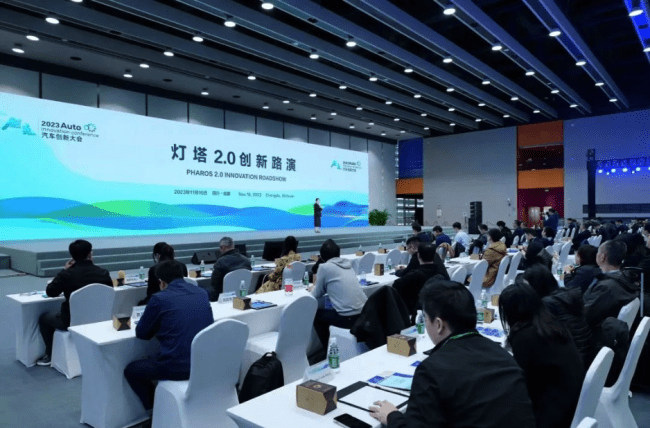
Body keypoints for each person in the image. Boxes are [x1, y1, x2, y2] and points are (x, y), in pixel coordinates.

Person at [369, 280, 536, 428]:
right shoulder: (503, 355)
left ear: (439, 325)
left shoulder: (431, 371)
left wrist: (392, 416)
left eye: (425, 319)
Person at [124, 260, 213, 412]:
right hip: (203, 362)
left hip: (177, 367)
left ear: (161, 282)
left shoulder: (159, 298)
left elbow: (142, 334)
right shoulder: (202, 292)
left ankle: (156, 410)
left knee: (131, 370)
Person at [499, 281, 583, 428]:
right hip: (572, 401)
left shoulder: (525, 336)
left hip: (552, 414)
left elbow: (522, 383)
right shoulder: (550, 322)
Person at [37, 240, 112, 366]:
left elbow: (51, 292)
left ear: (72, 256)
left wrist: (64, 270)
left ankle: (50, 354)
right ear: (90, 254)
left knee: (44, 318)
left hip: (71, 321)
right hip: (99, 319)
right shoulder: (103, 273)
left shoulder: (67, 274)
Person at [521, 265, 595, 368]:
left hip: (571, 364)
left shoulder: (547, 304)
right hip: (585, 355)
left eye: (527, 287)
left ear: (537, 286)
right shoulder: (565, 296)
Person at [309, 240, 368, 347]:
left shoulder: (324, 267)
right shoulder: (348, 264)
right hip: (363, 314)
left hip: (347, 317)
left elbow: (316, 294)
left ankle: (329, 349)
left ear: (322, 257)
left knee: (316, 316)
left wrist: (311, 289)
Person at [584, 240, 638, 329]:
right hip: (612, 328)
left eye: (598, 252)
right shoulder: (626, 279)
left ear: (602, 257)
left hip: (594, 332)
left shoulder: (606, 287)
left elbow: (585, 316)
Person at [392, 243, 449, 315]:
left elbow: (395, 286)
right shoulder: (441, 272)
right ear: (435, 256)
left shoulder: (414, 275)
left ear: (418, 256)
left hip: (414, 311)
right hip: (434, 309)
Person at [208, 237, 251, 301]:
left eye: (220, 248)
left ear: (223, 247)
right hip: (241, 294)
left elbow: (214, 284)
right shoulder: (246, 260)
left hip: (222, 297)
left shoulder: (220, 262)